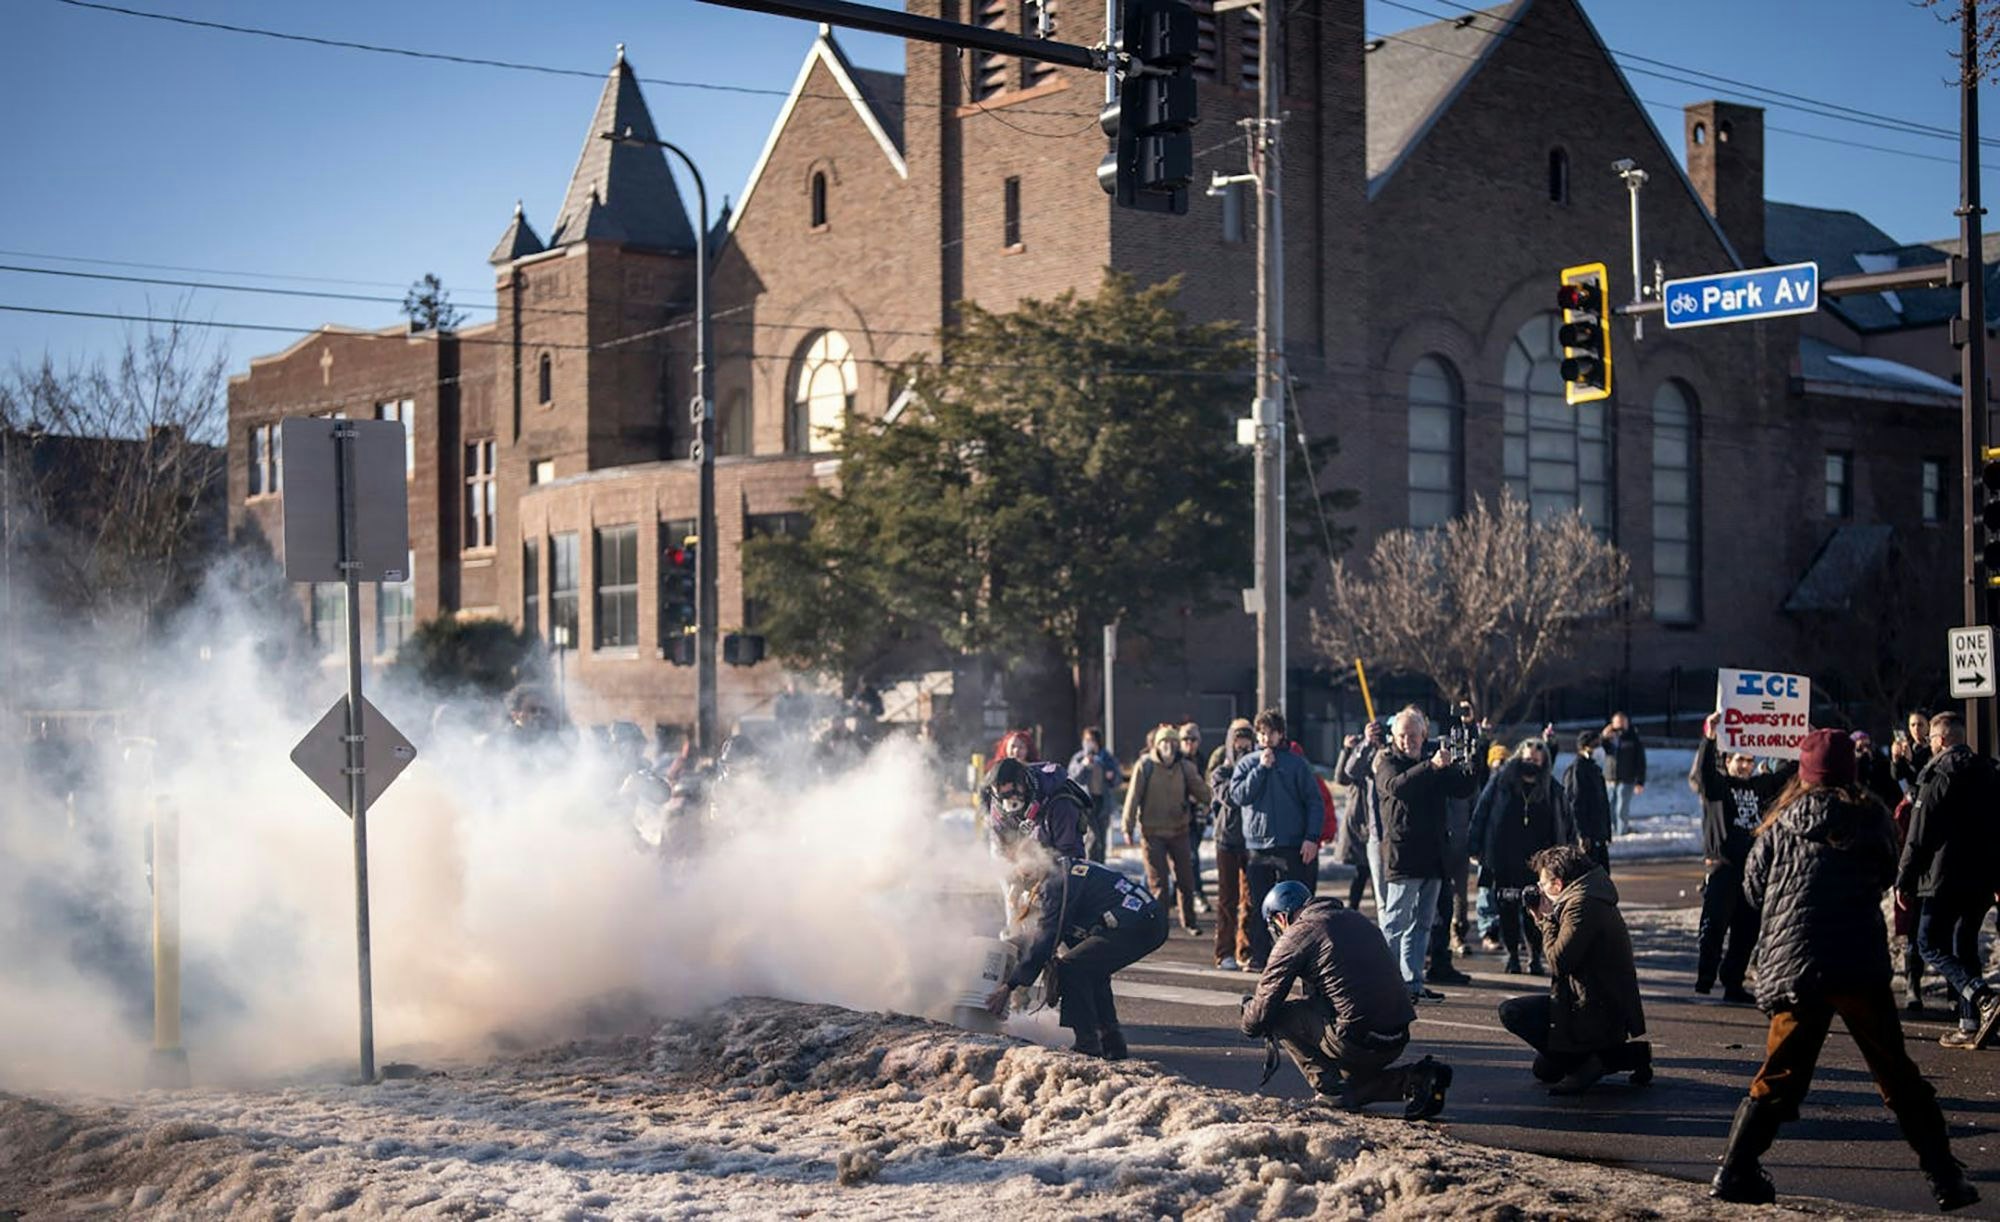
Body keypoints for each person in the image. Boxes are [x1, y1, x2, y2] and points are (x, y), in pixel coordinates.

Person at [1711, 730, 1977, 1211]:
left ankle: (1734, 1170)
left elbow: (1752, 889)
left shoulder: (1779, 823)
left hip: (1796, 966)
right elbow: (1886, 872)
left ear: (1804, 774)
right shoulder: (1870, 816)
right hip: (1856, 963)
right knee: (1895, 1073)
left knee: (1780, 1073)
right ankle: (1945, 1178)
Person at [1240, 881, 1452, 1120]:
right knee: (1352, 1087)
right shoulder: (1356, 919)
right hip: (1396, 1037)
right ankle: (1417, 1079)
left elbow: (1260, 1015)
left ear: (1280, 918)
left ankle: (1330, 1090)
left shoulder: (1298, 933)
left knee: (1278, 1016)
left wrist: (1247, 1012)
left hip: (1356, 1039)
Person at [1497, 845, 1651, 1094]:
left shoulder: (1582, 904)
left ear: (1558, 884)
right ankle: (1625, 1055)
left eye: (1543, 883)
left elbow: (1559, 961)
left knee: (1512, 1012)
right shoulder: (1587, 894)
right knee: (1544, 1070)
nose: (1540, 889)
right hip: (1591, 1001)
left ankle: (1588, 1064)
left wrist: (1545, 919)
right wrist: (1545, 917)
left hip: (1595, 1008)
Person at [987, 853, 1168, 1059]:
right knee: (1090, 968)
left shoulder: (1055, 883)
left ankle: (1087, 1042)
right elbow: (1047, 932)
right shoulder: (1064, 870)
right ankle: (1111, 1041)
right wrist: (1013, 946)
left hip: (1137, 924)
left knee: (1072, 967)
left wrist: (1010, 985)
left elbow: (1048, 935)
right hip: (1144, 919)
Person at [1896, 711, 2000, 1049]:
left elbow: (1919, 832)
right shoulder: (1988, 771)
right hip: (1982, 877)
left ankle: (1983, 998)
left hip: (1944, 875)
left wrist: (1905, 878)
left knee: (1928, 942)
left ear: (1939, 740)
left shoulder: (1938, 773)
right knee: (1965, 942)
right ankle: (1969, 1024)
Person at [1689, 712, 1797, 1003]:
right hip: (1723, 867)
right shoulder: (1719, 787)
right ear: (1728, 762)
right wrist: (1710, 737)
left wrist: (1799, 736)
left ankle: (1733, 981)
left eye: (1750, 761)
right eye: (1740, 760)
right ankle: (1705, 978)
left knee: (1747, 931)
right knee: (1713, 926)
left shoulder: (1759, 787)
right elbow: (1703, 773)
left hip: (1752, 871)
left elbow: (1787, 775)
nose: (1746, 765)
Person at [1374, 708, 1480, 1002]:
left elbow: (1461, 789)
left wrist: (1473, 760)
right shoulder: (1388, 762)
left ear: (1424, 735)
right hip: (1404, 857)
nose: (1408, 741)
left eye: (1414, 735)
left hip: (1433, 857)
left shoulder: (1433, 762)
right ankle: (1383, 983)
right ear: (1394, 736)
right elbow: (1399, 787)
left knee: (1422, 924)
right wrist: (1431, 767)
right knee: (1395, 923)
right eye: (1402, 735)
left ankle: (1412, 982)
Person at [1229, 708, 1324, 970]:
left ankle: (1296, 957)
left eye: (1270, 732)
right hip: (1258, 846)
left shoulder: (1296, 764)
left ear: (1280, 734)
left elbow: (1314, 802)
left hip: (1291, 845)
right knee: (1260, 905)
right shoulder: (1248, 763)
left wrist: (1311, 838)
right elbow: (1237, 796)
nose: (1265, 737)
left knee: (1293, 907)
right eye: (1261, 732)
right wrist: (1260, 768)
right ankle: (1260, 955)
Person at [1470, 738, 1569, 975]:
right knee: (1507, 909)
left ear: (1543, 761)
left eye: (1535, 759)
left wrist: (1565, 856)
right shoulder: (1501, 782)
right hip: (1504, 859)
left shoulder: (1551, 788)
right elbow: (1481, 813)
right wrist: (1475, 847)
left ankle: (1534, 955)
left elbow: (1565, 822)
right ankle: (1512, 954)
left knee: (1536, 911)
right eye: (1526, 758)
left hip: (1539, 865)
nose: (1530, 762)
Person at [1122, 723, 1212, 936]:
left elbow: (1203, 791)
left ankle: (1189, 921)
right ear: (1157, 745)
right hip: (1152, 833)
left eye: (1173, 742)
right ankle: (1159, 926)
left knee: (1186, 880)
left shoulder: (1185, 767)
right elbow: (1132, 797)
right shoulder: (1145, 766)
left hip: (1179, 831)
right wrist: (1127, 827)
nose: (1169, 747)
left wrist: (1210, 801)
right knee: (1159, 883)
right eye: (1165, 742)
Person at [1208, 719, 1257, 971]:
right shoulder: (1220, 773)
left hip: (1252, 840)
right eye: (1238, 743)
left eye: (1247, 743)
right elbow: (1229, 797)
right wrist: (1243, 770)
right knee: (1228, 898)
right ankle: (1224, 951)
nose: (1242, 747)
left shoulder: (1258, 769)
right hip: (1226, 840)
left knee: (1250, 899)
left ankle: (1245, 949)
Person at [986, 757, 1089, 861]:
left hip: (1056, 868)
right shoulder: (999, 806)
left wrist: (1039, 869)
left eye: (1010, 794)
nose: (1007, 802)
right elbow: (999, 850)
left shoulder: (1060, 803)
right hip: (1023, 870)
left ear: (1023, 783)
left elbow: (1069, 856)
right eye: (1001, 797)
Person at [1331, 732, 1375, 912]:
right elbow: (1342, 777)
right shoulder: (1359, 754)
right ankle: (1352, 911)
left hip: (1377, 822)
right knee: (1361, 871)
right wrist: (1347, 750)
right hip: (1359, 821)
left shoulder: (1384, 753)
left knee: (1375, 874)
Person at [1066, 726, 1121, 863]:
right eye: (1087, 740)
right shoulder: (1079, 758)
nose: (1090, 744)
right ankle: (1088, 865)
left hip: (1103, 802)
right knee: (1091, 837)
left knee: (1101, 840)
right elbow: (1072, 779)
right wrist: (1084, 766)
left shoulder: (1106, 758)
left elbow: (1117, 780)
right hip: (1085, 803)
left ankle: (1100, 867)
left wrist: (1111, 776)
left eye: (1092, 740)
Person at [1564, 730, 1614, 874]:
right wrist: (1581, 833)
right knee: (1590, 876)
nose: (1599, 748)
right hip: (1588, 837)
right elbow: (1575, 804)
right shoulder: (1577, 770)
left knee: (1603, 875)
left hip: (1598, 835)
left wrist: (1606, 833)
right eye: (1595, 745)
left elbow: (1602, 804)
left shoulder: (1594, 769)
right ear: (1584, 748)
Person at [1177, 722, 1213, 915]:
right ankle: (1195, 892)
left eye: (1193, 740)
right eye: (1186, 739)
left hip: (1197, 815)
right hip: (1177, 815)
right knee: (1189, 857)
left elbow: (1208, 784)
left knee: (1190, 854)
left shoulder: (1202, 760)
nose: (1190, 743)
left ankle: (1187, 892)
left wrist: (1206, 801)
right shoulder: (1176, 760)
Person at [1600, 712, 1646, 837]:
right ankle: (1613, 830)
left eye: (1622, 722)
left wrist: (1640, 781)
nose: (1620, 725)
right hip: (1610, 778)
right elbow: (1599, 749)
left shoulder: (1633, 738)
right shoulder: (1609, 739)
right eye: (1617, 722)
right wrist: (1604, 736)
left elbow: (1640, 761)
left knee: (1621, 808)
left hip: (1627, 779)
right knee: (1609, 807)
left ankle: (1622, 832)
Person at [1890, 708, 1933, 793]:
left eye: (1920, 725)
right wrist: (1895, 759)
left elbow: (1926, 776)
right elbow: (1897, 776)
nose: (1916, 729)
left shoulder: (1933, 747)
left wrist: (1911, 760)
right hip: (1912, 795)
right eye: (1912, 725)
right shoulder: (1907, 745)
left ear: (1928, 726)